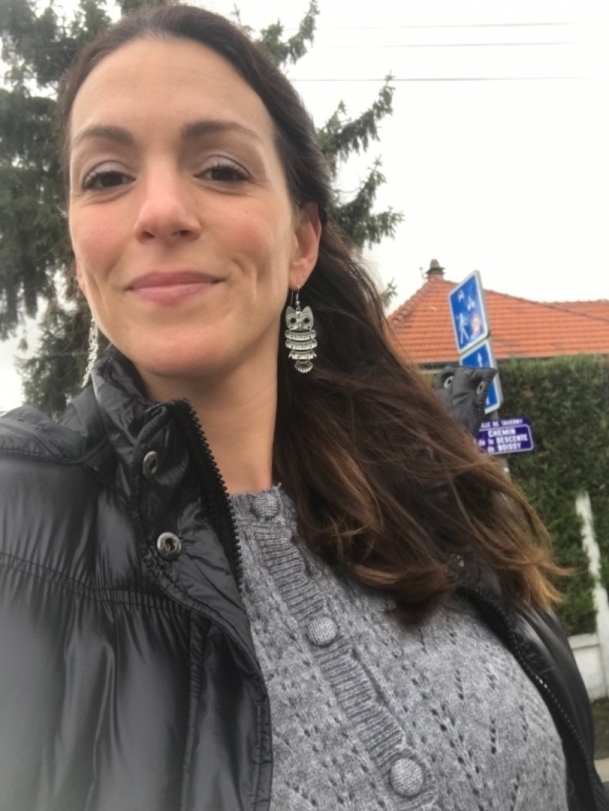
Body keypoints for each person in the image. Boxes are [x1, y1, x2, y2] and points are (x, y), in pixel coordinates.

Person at [0, 5, 605, 810]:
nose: (159, 211)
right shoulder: (17, 528)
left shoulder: (431, 486)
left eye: (221, 168)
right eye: (106, 176)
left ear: (301, 242)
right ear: (81, 254)